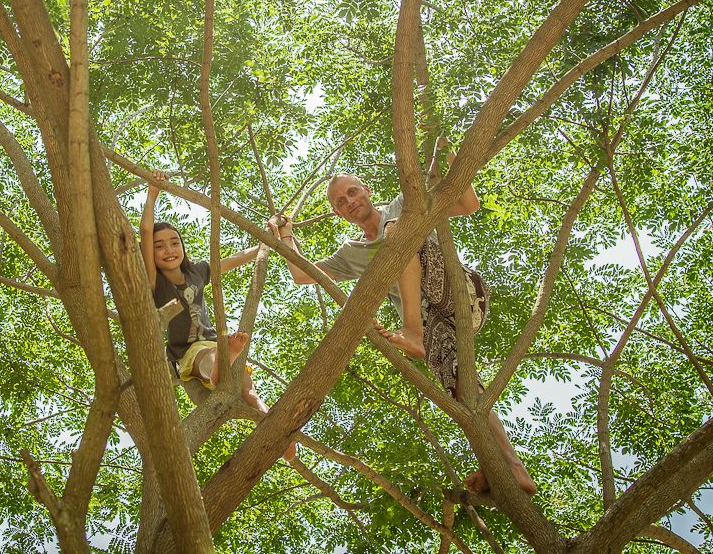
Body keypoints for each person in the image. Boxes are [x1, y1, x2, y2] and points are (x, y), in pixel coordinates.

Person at [268, 159, 536, 495]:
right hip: (438, 327)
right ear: (339, 213)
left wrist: (451, 158)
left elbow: (468, 204)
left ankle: (413, 332)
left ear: (367, 190)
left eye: (352, 192)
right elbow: (302, 275)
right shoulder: (353, 252)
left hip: (461, 296)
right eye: (340, 202)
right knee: (463, 388)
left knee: (400, 230)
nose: (349, 201)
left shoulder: (402, 204)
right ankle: (508, 465)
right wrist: (286, 234)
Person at [141, 170, 296, 461]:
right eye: (159, 247)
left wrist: (266, 242)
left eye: (175, 242)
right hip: (187, 351)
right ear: (150, 254)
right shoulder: (155, 282)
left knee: (250, 394)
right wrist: (152, 194)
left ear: (183, 247)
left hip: (215, 341)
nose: (169, 249)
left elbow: (232, 260)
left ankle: (279, 435)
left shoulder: (197, 272)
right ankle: (219, 369)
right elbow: (145, 232)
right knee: (207, 358)